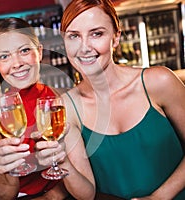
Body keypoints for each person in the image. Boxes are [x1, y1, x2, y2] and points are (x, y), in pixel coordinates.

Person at [54, 0, 185, 199]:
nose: (84, 48)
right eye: (74, 36)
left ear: (116, 38)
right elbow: (86, 194)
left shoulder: (159, 82)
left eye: (96, 34)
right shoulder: (66, 107)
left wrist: (160, 197)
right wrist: (61, 161)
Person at [0, 17, 90, 199]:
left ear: (39, 52)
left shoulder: (65, 100)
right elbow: (4, 195)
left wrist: (53, 195)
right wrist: (9, 171)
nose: (16, 63)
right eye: (4, 56)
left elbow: (86, 181)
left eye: (24, 51)